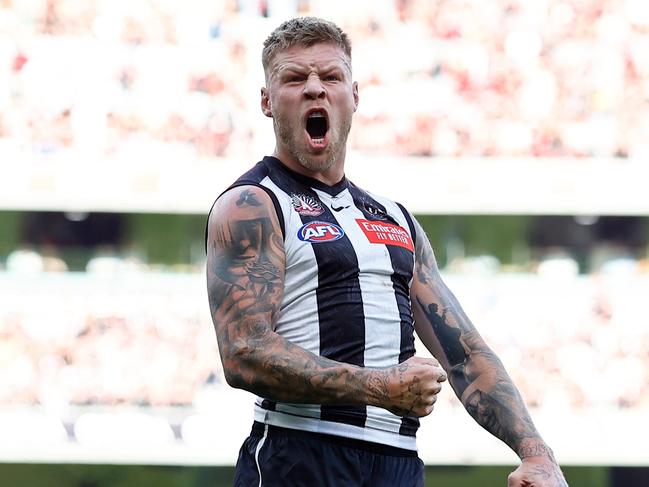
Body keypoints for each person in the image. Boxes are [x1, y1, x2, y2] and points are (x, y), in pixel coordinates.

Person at [206, 16, 568, 487]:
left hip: (397, 464)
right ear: (267, 102)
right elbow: (243, 352)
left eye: (331, 77)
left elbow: (463, 353)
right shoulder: (252, 204)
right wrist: (379, 387)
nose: (315, 89)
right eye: (295, 78)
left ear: (354, 96)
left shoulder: (394, 218)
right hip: (301, 455)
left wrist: (535, 452)